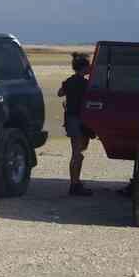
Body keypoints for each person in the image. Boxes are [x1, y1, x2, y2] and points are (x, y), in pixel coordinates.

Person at [58, 52, 94, 196]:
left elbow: (60, 93)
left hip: (72, 119)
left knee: (77, 152)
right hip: (80, 120)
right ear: (83, 67)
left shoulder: (69, 81)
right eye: (89, 66)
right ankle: (74, 184)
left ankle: (75, 183)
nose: (91, 68)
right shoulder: (86, 84)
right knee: (77, 154)